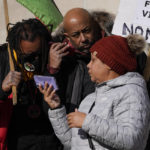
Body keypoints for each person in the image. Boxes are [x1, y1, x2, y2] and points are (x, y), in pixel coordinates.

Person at [39, 34, 150, 150]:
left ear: (109, 64)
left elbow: (132, 141)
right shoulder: (89, 99)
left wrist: (86, 121)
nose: (88, 65)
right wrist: (56, 109)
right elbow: (72, 143)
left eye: (93, 60)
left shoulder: (131, 92)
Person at [0, 18, 62, 150]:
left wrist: (51, 71)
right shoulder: (3, 59)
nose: (35, 60)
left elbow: (56, 103)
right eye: (28, 56)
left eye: (39, 54)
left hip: (50, 139)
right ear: (16, 47)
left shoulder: (55, 57)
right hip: (15, 140)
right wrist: (2, 90)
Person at [48, 8, 113, 113]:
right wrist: (53, 71)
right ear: (67, 37)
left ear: (95, 26)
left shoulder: (115, 49)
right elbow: (50, 105)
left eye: (86, 31)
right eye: (76, 35)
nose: (83, 39)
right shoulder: (62, 58)